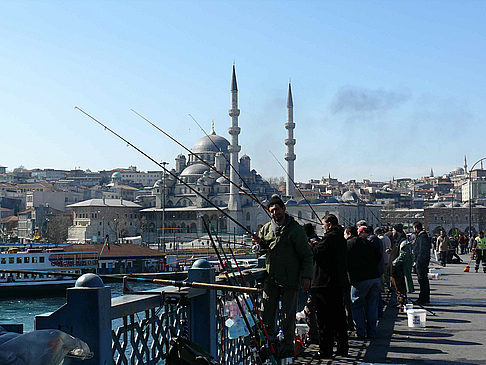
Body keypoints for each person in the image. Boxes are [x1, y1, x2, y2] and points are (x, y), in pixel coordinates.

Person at [252, 195, 313, 359]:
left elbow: (306, 255)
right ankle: (269, 343)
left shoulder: (295, 230)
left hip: (290, 279)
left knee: (288, 315)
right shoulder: (266, 228)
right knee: (267, 314)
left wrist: (306, 277)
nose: (274, 213)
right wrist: (258, 243)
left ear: (283, 209)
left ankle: (287, 346)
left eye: (277, 210)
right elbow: (263, 248)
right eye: (271, 211)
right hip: (271, 279)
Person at [311, 214, 348, 359]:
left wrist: (312, 245)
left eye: (324, 224)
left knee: (325, 319)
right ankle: (342, 348)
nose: (322, 227)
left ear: (330, 224)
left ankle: (325, 350)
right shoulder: (340, 237)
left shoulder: (330, 237)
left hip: (325, 284)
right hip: (338, 283)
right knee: (339, 318)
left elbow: (317, 253)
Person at [347, 225, 381, 340]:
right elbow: (378, 256)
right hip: (375, 278)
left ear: (349, 234)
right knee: (372, 306)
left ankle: (360, 332)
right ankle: (372, 332)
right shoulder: (368, 242)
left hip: (360, 279)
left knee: (356, 305)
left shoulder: (349, 244)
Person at [390, 224, 414, 306]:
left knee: (400, 287)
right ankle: (400, 301)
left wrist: (394, 263)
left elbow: (404, 254)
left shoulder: (403, 241)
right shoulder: (398, 241)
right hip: (396, 269)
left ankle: (402, 301)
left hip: (399, 269)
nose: (392, 232)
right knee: (397, 287)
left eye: (393, 230)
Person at [412, 222, 431, 305]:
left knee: (422, 280)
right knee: (422, 280)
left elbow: (422, 251)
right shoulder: (421, 236)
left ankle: (423, 298)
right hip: (421, 262)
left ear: (416, 228)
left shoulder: (422, 237)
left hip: (421, 262)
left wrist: (418, 262)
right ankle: (424, 297)